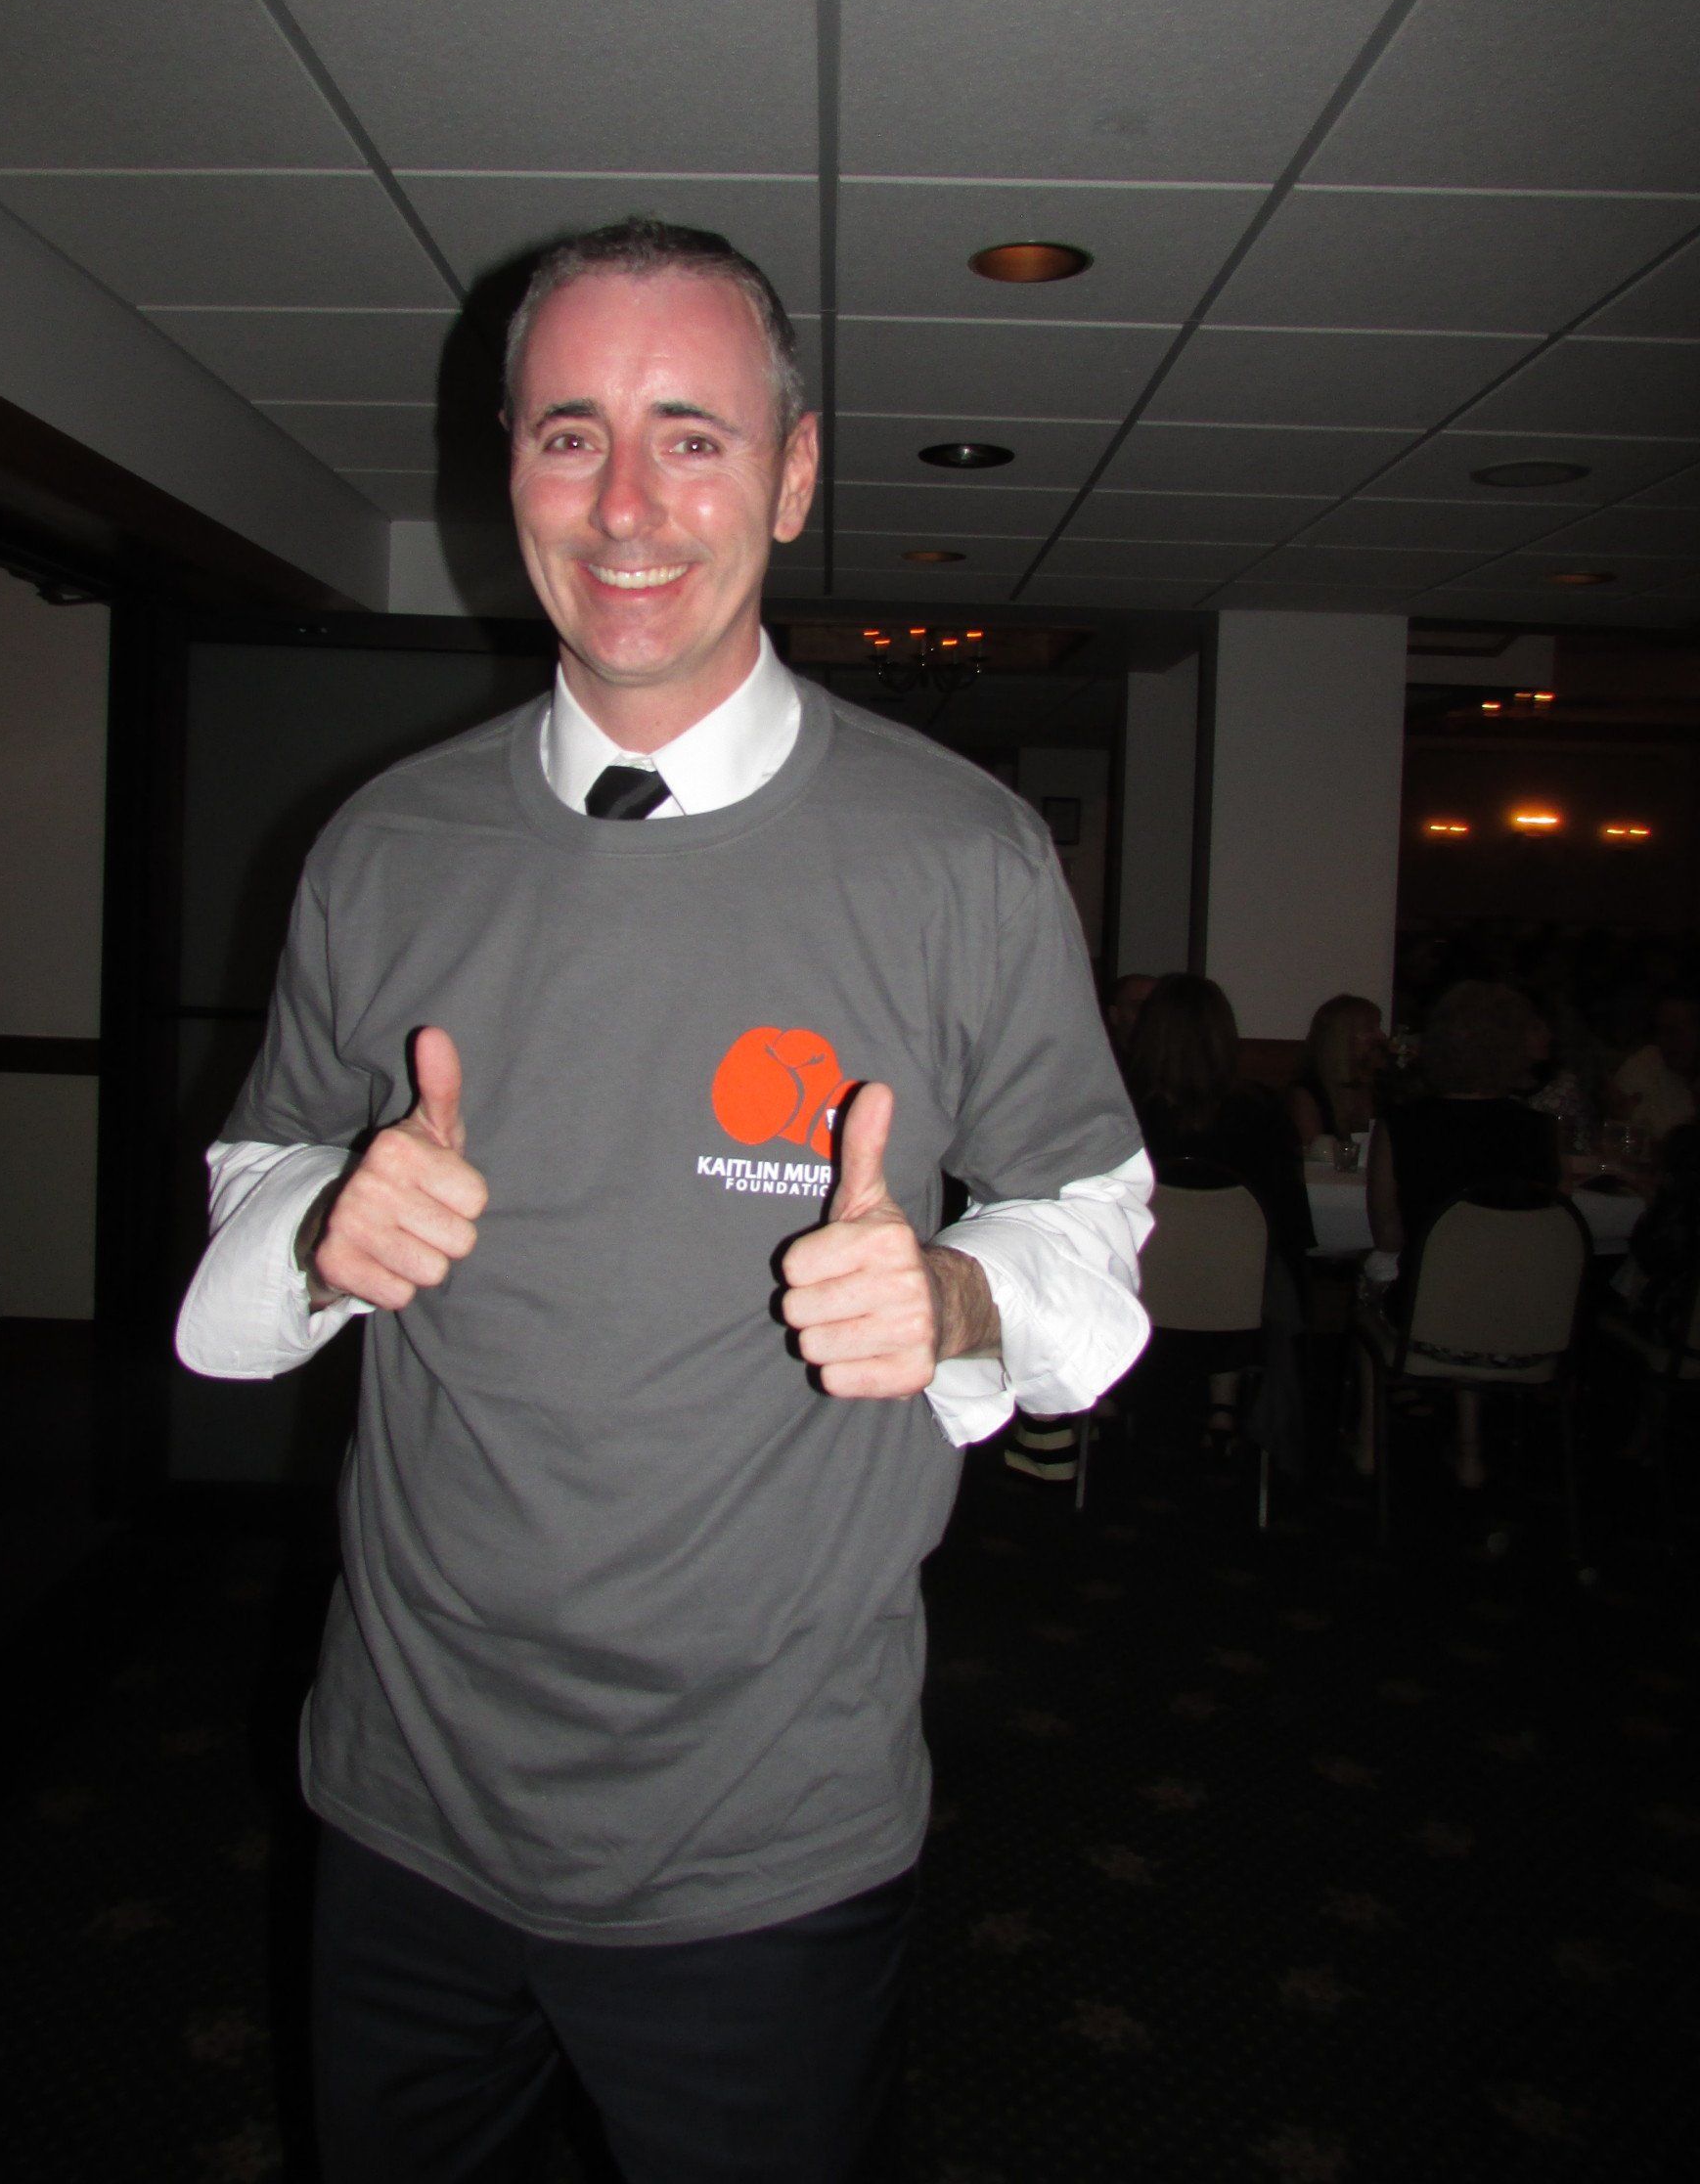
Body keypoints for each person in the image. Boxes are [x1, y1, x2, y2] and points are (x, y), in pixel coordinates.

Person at [175, 218, 1152, 2184]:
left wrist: (956, 1297)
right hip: (403, 1801)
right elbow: (254, 1174)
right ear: (509, 474)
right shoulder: (382, 846)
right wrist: (320, 1223)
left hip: (764, 1843)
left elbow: (1097, 1207)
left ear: (792, 476)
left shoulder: (960, 854)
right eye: (571, 434)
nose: (626, 504)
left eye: (692, 436)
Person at [1364, 979, 1559, 1489]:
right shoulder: (1537, 1131)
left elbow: (1387, 1236)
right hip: (1529, 1323)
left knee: (1374, 1284)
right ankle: (1471, 1443)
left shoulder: (1403, 1125)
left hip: (1430, 1320)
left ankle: (1365, 1442)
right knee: (1481, 1276)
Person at [1124, 972, 1313, 1448]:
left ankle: (1107, 1394)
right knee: (1256, 1267)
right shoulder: (1263, 1116)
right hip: (1236, 1301)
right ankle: (1223, 1402)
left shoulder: (1122, 1116)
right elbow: (1291, 1225)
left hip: (1141, 1294)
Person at [1287, 992, 1385, 1151]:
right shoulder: (1307, 1093)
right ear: (1342, 1037)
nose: (1381, 1036)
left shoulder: (1380, 1087)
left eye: (1378, 1027)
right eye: (1369, 1029)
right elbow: (1315, 1155)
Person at [1610, 995, 1699, 1148]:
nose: (1665, 1040)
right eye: (1660, 1031)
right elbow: (1619, 1133)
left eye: (1675, 1031)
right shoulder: (1645, 1065)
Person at [1104, 970, 1156, 1063]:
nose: (1151, 1015)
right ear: (1114, 1014)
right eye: (1140, 1007)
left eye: (1159, 1007)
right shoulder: (1103, 1063)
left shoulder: (1175, 1065)